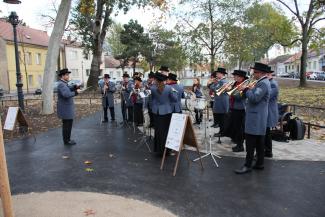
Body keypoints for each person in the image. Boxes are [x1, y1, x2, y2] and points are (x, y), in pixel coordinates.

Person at [235, 62, 271, 174]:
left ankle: (247, 165)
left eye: (254, 72)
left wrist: (246, 89)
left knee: (250, 143)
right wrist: (244, 90)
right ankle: (259, 163)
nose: (253, 74)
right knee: (259, 142)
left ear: (260, 73)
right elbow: (250, 95)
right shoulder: (260, 82)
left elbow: (255, 98)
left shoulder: (263, 84)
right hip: (258, 117)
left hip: (255, 118)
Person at [150, 72, 178, 155]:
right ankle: (166, 151)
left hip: (156, 112)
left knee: (158, 131)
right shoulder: (169, 88)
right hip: (166, 112)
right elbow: (175, 99)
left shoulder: (153, 88)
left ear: (156, 80)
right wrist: (174, 92)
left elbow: (151, 100)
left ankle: (158, 150)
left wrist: (153, 107)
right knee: (166, 132)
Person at [224, 70, 248, 152]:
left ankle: (240, 146)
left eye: (235, 76)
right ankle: (236, 141)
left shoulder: (245, 85)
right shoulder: (235, 84)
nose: (234, 77)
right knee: (235, 126)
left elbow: (239, 97)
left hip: (240, 109)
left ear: (240, 77)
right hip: (233, 107)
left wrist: (230, 91)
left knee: (239, 128)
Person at [57, 68, 81, 146]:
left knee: (68, 125)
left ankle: (67, 139)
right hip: (65, 109)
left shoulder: (64, 83)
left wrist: (74, 87)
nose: (68, 76)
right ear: (62, 76)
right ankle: (66, 141)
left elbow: (67, 89)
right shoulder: (61, 84)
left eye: (68, 75)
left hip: (66, 109)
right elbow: (66, 94)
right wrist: (76, 92)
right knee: (67, 125)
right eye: (67, 75)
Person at [208, 67, 229, 137]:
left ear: (221, 74)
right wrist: (213, 84)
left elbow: (216, 89)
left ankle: (222, 132)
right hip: (219, 101)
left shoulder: (223, 82)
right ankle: (221, 131)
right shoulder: (220, 81)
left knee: (222, 119)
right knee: (220, 118)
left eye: (217, 73)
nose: (216, 74)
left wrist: (211, 84)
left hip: (222, 102)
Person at [265, 66, 279, 158]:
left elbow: (267, 96)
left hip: (269, 111)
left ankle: (268, 152)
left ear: (269, 75)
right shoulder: (268, 83)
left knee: (266, 133)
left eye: (266, 74)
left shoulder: (273, 84)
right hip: (266, 110)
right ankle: (266, 151)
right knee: (265, 132)